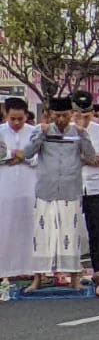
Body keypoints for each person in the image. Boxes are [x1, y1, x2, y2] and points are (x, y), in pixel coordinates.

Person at [26, 97, 96, 291]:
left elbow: (91, 156)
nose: (61, 120)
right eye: (57, 116)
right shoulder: (40, 130)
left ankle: (74, 278)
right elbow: (27, 153)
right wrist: (42, 134)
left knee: (70, 235)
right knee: (42, 235)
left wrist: (83, 135)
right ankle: (38, 279)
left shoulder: (78, 133)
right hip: (46, 190)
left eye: (65, 115)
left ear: (71, 114)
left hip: (69, 190)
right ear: (50, 115)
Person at [71, 90, 99, 284]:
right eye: (78, 115)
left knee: (96, 228)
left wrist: (90, 159)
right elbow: (68, 157)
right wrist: (88, 158)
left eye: (86, 116)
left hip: (96, 186)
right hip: (73, 185)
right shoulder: (68, 131)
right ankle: (71, 268)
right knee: (71, 228)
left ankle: (98, 268)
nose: (83, 119)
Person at [0, 97, 39, 281]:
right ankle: (4, 270)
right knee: (4, 228)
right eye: (12, 119)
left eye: (20, 119)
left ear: (26, 116)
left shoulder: (34, 132)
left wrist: (24, 157)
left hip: (29, 188)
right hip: (4, 189)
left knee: (29, 228)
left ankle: (29, 268)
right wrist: (10, 154)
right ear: (5, 115)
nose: (16, 123)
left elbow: (40, 158)